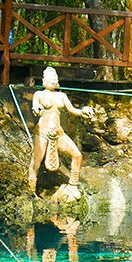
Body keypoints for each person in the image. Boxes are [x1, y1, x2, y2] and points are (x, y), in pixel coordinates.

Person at [28, 66, 90, 194]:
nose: (53, 81)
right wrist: (37, 109)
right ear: (45, 80)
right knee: (36, 161)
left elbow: (72, 110)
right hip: (42, 132)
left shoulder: (62, 95)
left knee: (77, 155)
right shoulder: (39, 94)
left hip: (58, 132)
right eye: (51, 79)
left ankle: (73, 185)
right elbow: (35, 107)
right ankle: (31, 188)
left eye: (55, 79)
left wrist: (82, 111)